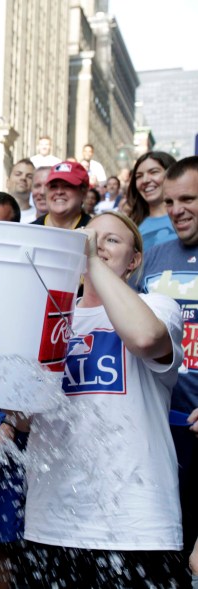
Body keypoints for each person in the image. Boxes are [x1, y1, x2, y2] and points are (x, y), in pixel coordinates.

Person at [24, 211, 184, 587]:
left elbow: (145, 338)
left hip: (137, 523)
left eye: (111, 240)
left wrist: (92, 262)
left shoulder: (159, 307)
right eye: (89, 237)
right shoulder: (49, 319)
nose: (95, 244)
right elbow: (22, 414)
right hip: (52, 522)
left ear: (135, 261)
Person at [141, 155, 198, 586]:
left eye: (190, 199)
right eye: (172, 199)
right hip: (160, 426)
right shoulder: (155, 256)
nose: (177, 209)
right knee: (165, 551)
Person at [127, 151, 178, 251]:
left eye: (154, 172)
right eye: (139, 176)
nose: (145, 180)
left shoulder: (189, 218)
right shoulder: (130, 226)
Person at [32, 162, 91, 229]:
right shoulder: (30, 230)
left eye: (68, 186)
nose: (59, 192)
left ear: (84, 193)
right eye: (53, 186)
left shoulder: (95, 231)